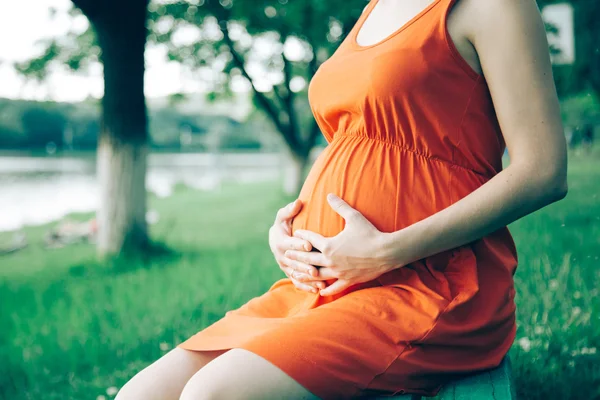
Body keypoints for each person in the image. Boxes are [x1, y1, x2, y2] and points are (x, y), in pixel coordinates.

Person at [117, 0, 568, 399]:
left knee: (212, 394)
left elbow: (543, 171)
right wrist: (290, 232)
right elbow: (357, 144)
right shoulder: (377, 7)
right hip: (326, 288)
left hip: (428, 283)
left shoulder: (493, 5)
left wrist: (386, 252)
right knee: (139, 395)